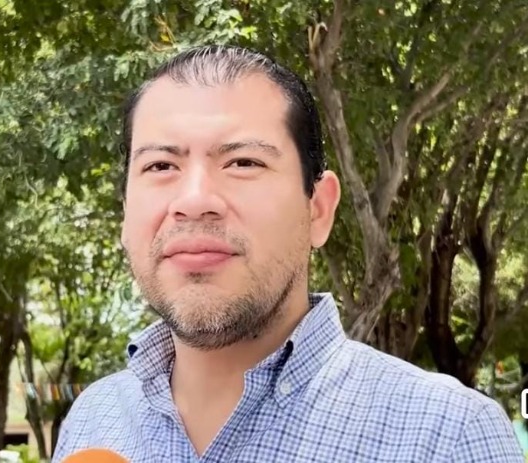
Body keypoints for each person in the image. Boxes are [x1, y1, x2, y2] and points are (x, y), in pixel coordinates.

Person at [52, 45, 524, 462]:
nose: (193, 200)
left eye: (243, 162)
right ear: (125, 214)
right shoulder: (95, 419)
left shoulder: (447, 436)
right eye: (160, 165)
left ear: (318, 210)